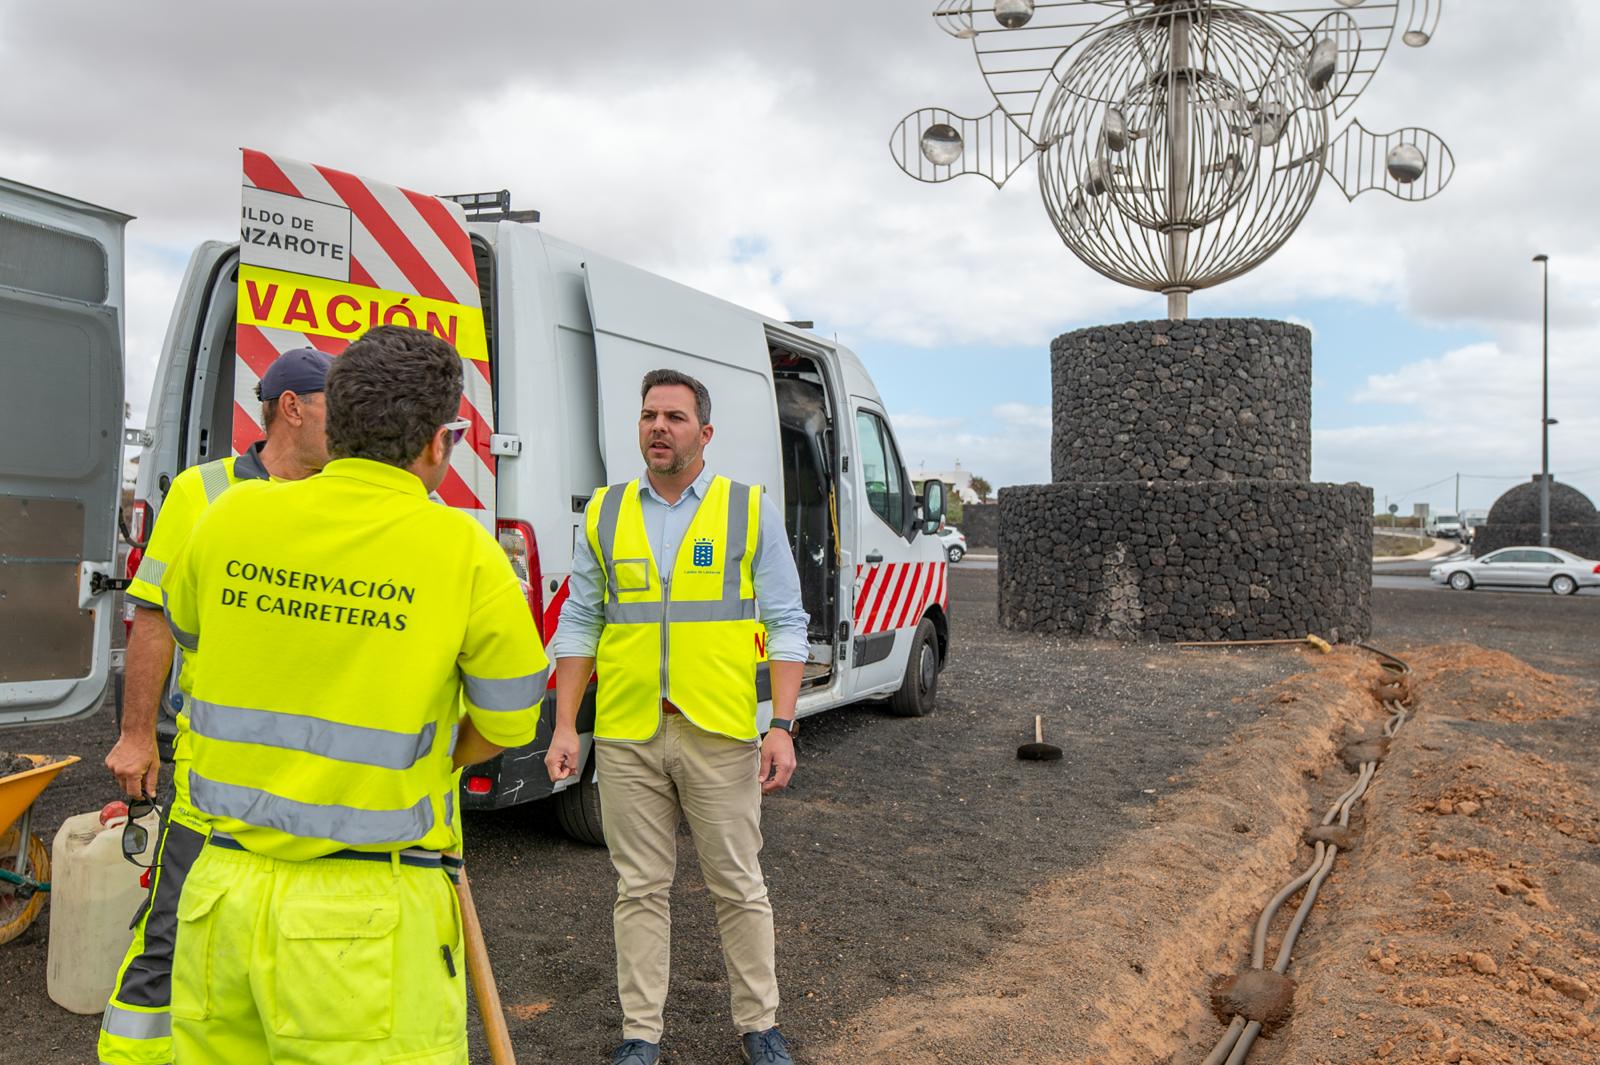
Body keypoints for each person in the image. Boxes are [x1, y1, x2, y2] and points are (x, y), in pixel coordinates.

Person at [159, 325, 547, 1063]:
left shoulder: (229, 517)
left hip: (220, 899)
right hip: (364, 921)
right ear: (441, 441)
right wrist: (427, 760)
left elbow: (191, 632)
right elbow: (508, 716)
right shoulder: (463, 552)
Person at [545, 368, 809, 1065]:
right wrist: (567, 723)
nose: (659, 426)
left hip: (719, 730)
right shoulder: (605, 511)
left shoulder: (746, 508)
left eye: (675, 417)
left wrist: (781, 724)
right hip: (629, 732)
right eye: (648, 415)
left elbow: (787, 622)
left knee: (739, 885)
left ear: (705, 433)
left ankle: (760, 1025)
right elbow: (579, 622)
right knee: (638, 888)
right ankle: (641, 1035)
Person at [100, 346, 332, 1065]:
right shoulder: (203, 492)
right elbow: (154, 615)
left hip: (313, 773)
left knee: (291, 945)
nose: (349, 422)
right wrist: (138, 735)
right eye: (335, 405)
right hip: (216, 768)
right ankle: (135, 1054)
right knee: (171, 931)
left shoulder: (341, 498)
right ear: (291, 407)